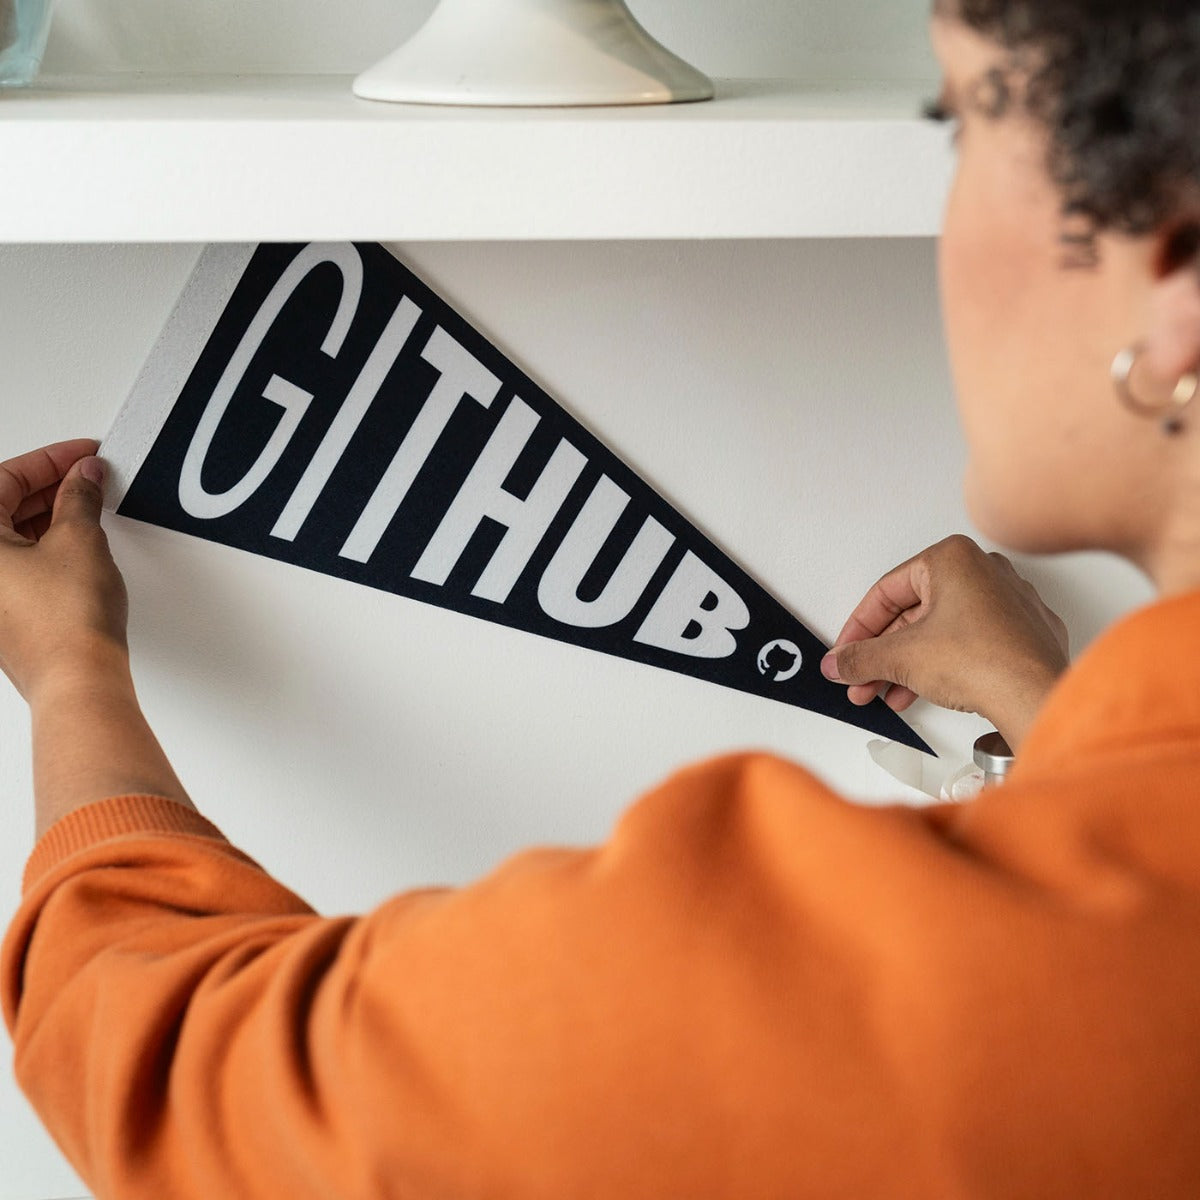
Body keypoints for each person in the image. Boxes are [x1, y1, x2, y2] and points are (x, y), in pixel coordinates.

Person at [4, 0, 1200, 1194]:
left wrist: (67, 674)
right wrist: (1059, 722)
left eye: (966, 135)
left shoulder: (838, 981)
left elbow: (186, 1075)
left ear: (1173, 282)